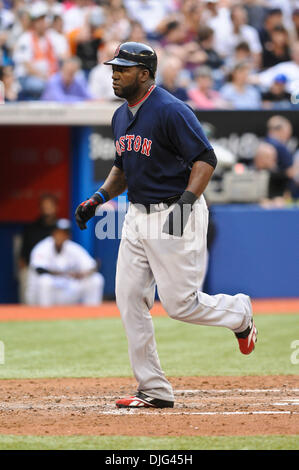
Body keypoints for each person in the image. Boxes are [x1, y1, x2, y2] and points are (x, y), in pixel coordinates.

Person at [75, 41, 257, 409]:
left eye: (122, 69)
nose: (114, 74)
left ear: (144, 74)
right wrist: (98, 197)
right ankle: (154, 389)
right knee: (128, 299)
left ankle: (239, 313)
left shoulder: (171, 109)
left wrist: (186, 204)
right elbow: (124, 167)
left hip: (176, 211)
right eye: (114, 68)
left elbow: (205, 158)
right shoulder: (120, 115)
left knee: (180, 304)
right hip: (137, 215)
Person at [27, 219, 104, 306]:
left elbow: (92, 266)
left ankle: (92, 314)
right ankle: (45, 316)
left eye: (64, 233)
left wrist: (83, 274)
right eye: (58, 232)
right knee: (45, 281)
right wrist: (65, 274)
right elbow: (39, 270)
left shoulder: (72, 248)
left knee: (96, 279)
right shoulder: (42, 247)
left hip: (67, 289)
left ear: (68, 236)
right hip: (46, 293)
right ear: (53, 233)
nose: (61, 236)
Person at [13, 1, 59, 100]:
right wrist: (44, 77)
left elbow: (55, 60)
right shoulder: (25, 38)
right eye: (40, 20)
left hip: (47, 76)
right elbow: (27, 66)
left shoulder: (49, 38)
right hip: (27, 78)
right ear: (34, 23)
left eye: (44, 20)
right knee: (42, 86)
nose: (43, 23)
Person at [18, 193, 59, 303]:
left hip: (56, 268)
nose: (47, 209)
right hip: (33, 268)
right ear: (40, 208)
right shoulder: (32, 228)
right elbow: (22, 256)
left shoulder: (60, 229)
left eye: (49, 206)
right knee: (27, 278)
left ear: (56, 207)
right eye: (44, 206)